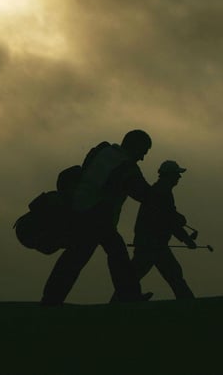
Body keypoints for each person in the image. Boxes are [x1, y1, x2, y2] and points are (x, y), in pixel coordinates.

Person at [40, 129, 154, 306]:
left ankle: (51, 300)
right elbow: (143, 194)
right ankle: (129, 297)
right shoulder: (126, 166)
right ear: (135, 146)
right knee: (116, 255)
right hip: (98, 216)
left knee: (75, 258)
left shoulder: (102, 151)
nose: (142, 157)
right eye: (143, 152)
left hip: (80, 210)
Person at [129, 160, 196, 299]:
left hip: (151, 243)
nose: (179, 177)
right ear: (170, 175)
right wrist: (186, 238)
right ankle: (189, 303)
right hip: (153, 244)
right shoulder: (162, 192)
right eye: (177, 174)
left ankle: (121, 301)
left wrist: (184, 232)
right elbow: (169, 219)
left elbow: (169, 218)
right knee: (174, 274)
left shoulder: (159, 190)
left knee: (134, 276)